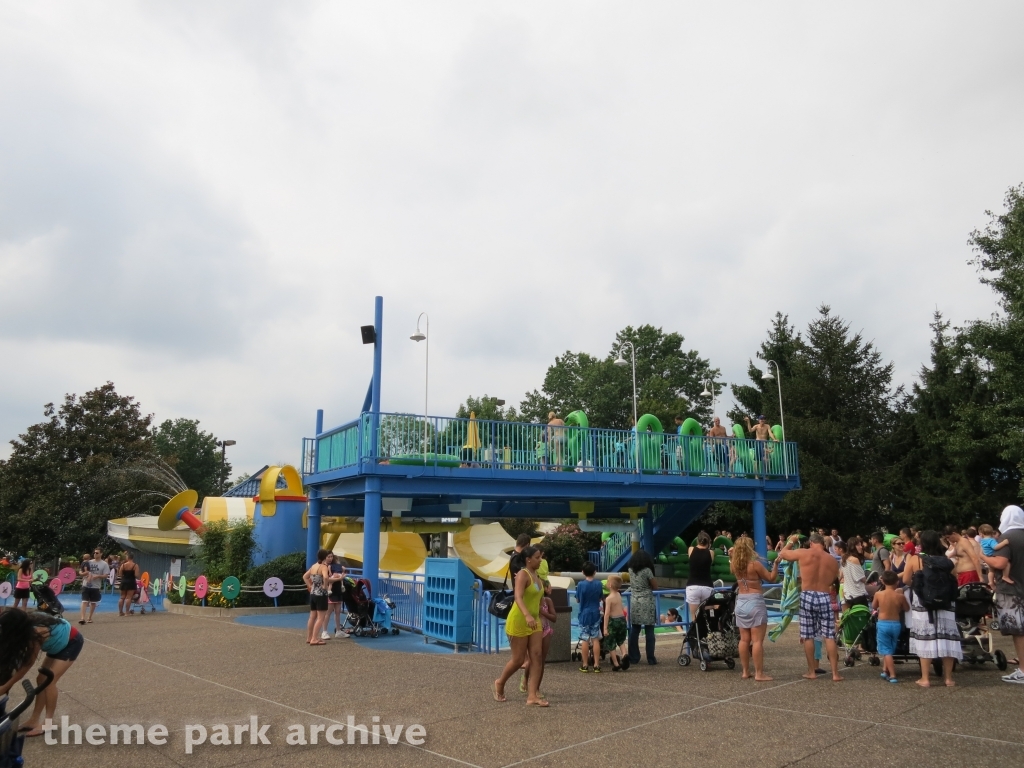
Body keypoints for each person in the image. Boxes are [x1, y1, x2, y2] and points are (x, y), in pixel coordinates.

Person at [778, 533, 843, 681]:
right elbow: (833, 578)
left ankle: (811, 671)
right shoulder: (832, 560)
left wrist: (791, 541)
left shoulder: (804, 553)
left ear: (812, 543)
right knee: (829, 635)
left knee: (808, 635)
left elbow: (783, 554)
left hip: (808, 594)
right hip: (824, 595)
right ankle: (835, 673)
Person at [902, 530, 961, 687]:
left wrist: (919, 586)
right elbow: (955, 578)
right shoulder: (946, 560)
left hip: (923, 603)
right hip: (946, 603)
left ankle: (925, 678)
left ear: (922, 543)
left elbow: (906, 579)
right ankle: (948, 678)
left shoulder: (916, 559)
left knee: (925, 638)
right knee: (947, 638)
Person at [17, 611, 85, 737]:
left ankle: (48, 723)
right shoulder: (20, 627)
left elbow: (28, 663)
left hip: (71, 642)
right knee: (41, 679)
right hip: (56, 644)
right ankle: (34, 719)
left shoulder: (36, 631)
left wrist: (7, 684)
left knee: (49, 681)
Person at [494, 546, 547, 706]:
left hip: (534, 621)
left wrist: (540, 616)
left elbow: (538, 599)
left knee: (537, 656)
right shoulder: (523, 575)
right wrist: (527, 615)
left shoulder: (536, 575)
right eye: (537, 557)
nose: (540, 560)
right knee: (518, 660)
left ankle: (532, 696)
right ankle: (500, 683)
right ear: (528, 559)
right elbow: (518, 597)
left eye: (540, 557)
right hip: (519, 619)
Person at [980, 505, 1024, 683]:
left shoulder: (1007, 537)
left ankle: (1022, 670)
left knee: (1019, 631)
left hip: (1012, 590)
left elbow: (999, 562)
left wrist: (982, 557)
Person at [730, 536, 780, 681]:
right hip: (755, 601)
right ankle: (759, 673)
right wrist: (776, 564)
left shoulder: (735, 565)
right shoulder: (754, 565)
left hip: (741, 601)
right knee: (757, 641)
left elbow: (733, 560)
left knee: (744, 640)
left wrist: (732, 554)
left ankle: (745, 671)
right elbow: (771, 578)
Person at [872, 571, 910, 684]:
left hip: (883, 623)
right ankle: (885, 669)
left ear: (882, 581)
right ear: (897, 582)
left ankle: (893, 675)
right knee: (890, 648)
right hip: (896, 624)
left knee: (886, 650)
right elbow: (907, 608)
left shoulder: (879, 594)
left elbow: (874, 606)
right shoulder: (900, 596)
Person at [626, 550, 658, 665]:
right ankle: (650, 658)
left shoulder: (631, 571)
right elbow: (655, 586)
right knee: (649, 630)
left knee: (634, 630)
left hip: (635, 601)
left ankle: (634, 657)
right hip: (647, 602)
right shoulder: (647, 571)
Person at [575, 562, 603, 672]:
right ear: (595, 572)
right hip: (595, 612)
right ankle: (596, 665)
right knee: (596, 639)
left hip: (584, 613)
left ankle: (585, 664)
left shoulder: (581, 585)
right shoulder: (599, 584)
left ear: (583, 572)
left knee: (585, 639)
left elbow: (578, 599)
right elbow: (600, 598)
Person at [303, 548, 331, 645]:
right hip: (321, 594)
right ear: (325, 557)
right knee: (320, 617)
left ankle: (309, 637)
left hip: (313, 593)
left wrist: (310, 585)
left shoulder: (314, 566)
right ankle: (314, 638)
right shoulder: (324, 567)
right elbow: (326, 577)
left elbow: (305, 576)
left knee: (312, 616)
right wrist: (325, 586)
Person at [686, 532, 715, 622]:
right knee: (708, 616)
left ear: (698, 541)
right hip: (707, 586)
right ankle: (708, 634)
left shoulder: (691, 549)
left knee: (694, 616)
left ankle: (696, 634)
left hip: (693, 586)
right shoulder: (711, 552)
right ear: (708, 542)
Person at [79, 548, 109, 625]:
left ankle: (89, 617)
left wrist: (98, 576)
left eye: (97, 553)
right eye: (94, 553)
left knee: (93, 602)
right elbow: (80, 570)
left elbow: (106, 575)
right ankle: (82, 618)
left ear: (101, 554)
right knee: (84, 601)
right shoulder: (88, 561)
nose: (95, 554)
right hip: (86, 584)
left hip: (96, 586)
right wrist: (82, 574)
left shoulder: (104, 564)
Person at [839, 538, 868, 609]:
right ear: (853, 546)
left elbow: (841, 575)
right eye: (858, 545)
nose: (861, 547)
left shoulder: (843, 559)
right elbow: (862, 579)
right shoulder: (854, 560)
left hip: (848, 594)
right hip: (857, 594)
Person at [326, 553, 349, 638]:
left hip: (338, 590)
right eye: (329, 557)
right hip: (331, 592)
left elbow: (343, 572)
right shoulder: (327, 567)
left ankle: (338, 630)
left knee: (338, 612)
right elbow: (328, 579)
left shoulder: (338, 567)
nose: (330, 558)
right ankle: (324, 631)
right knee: (328, 612)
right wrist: (337, 577)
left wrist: (340, 577)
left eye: (331, 557)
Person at [117, 551, 139, 617]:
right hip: (131, 582)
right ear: (132, 557)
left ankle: (120, 612)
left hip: (124, 581)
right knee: (128, 597)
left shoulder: (123, 565)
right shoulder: (135, 565)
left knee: (122, 597)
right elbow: (136, 575)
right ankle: (127, 612)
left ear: (127, 557)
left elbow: (120, 574)